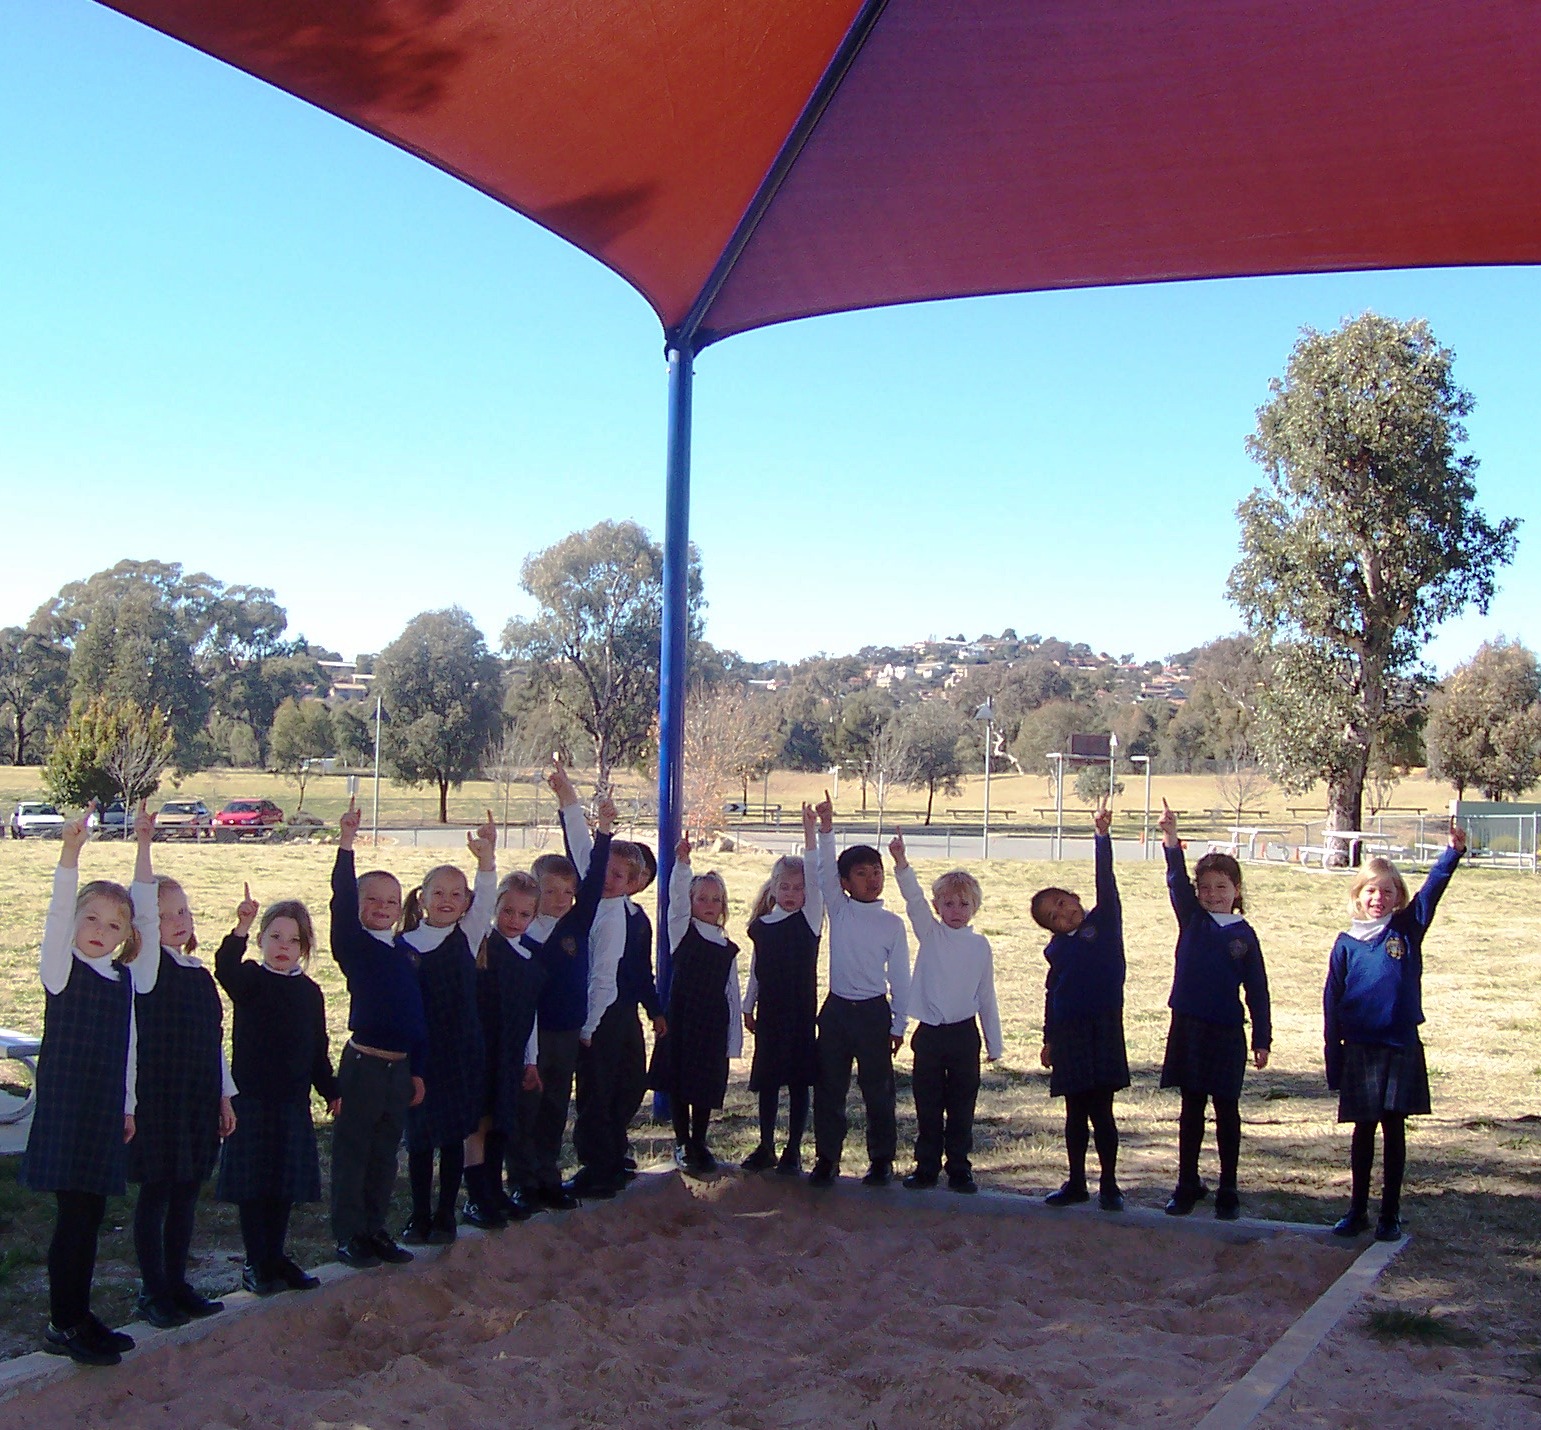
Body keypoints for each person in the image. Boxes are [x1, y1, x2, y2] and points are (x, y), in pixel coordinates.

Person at [20, 803, 141, 1365]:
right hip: (69, 1110)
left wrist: (129, 1104)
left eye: (114, 925)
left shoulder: (121, 980)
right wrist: (70, 853)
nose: (100, 931)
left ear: (126, 936)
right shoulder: (59, 969)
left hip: (103, 1112)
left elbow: (129, 1051)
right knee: (73, 1218)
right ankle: (62, 1322)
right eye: (91, 919)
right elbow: (55, 913)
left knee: (90, 1216)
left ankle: (80, 1312)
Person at [1324, 821, 1466, 1242]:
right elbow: (1332, 1005)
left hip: (1399, 1045)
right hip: (1361, 1050)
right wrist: (1335, 1059)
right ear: (1357, 895)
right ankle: (1357, 1211)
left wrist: (1451, 854)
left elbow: (1432, 892)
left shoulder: (1406, 930)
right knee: (1363, 1131)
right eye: (1370, 890)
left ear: (1398, 898)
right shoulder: (1346, 943)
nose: (1378, 898)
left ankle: (1390, 1213)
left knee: (1394, 1130)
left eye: (1387, 891)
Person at [126, 804, 235, 1328]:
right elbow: (141, 907)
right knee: (157, 1193)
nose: (177, 921)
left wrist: (224, 1095)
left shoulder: (199, 973)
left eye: (184, 912)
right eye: (167, 914)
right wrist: (145, 845)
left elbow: (214, 1040)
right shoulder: (144, 972)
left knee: (188, 1191)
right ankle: (153, 1292)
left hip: (197, 1099)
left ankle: (177, 1282)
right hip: (158, 1102)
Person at [215, 886, 338, 1295]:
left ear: (305, 947)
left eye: (293, 940)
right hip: (251, 1100)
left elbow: (317, 1049)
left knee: (282, 1186)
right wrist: (242, 925)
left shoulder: (310, 993)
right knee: (255, 1186)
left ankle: (275, 1255)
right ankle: (255, 1262)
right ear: (263, 940)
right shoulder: (250, 979)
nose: (283, 947)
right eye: (275, 937)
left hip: (291, 1103)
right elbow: (224, 967)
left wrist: (330, 1089)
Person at [1156, 801, 1271, 1221]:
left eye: (1221, 887)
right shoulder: (1193, 920)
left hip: (1226, 1032)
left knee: (1226, 1110)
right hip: (1188, 1027)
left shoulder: (1245, 936)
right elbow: (1174, 880)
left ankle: (1228, 1188)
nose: (1212, 895)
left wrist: (1262, 1038)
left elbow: (1257, 990)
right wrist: (1171, 837)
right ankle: (1187, 1183)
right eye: (1205, 887)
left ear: (1237, 891)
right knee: (1191, 1108)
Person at [329, 797, 427, 1270]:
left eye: (391, 901)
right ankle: (349, 1234)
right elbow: (341, 902)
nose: (382, 908)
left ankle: (376, 1228)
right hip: (364, 1064)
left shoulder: (405, 951)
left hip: (399, 1067)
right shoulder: (354, 946)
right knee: (354, 1152)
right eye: (373, 900)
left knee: (386, 1154)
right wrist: (347, 843)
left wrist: (417, 1070)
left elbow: (416, 1017)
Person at [398, 815, 497, 1244]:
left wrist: (487, 857)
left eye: (457, 894)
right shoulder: (402, 945)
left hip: (460, 1053)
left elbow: (489, 890)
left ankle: (445, 1214)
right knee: (420, 1139)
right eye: (438, 892)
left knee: (455, 1135)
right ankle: (419, 1213)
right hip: (420, 1057)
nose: (447, 900)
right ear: (421, 898)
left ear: (466, 902)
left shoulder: (468, 935)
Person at [809, 792, 911, 1189]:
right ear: (846, 882)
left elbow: (900, 978)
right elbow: (822, 871)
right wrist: (827, 827)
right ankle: (827, 1158)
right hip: (836, 1012)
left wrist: (899, 1022)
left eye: (877, 872)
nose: (872, 880)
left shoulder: (892, 924)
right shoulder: (840, 908)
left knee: (878, 1091)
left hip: (873, 1014)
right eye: (862, 874)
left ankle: (882, 1160)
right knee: (830, 1088)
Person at [521, 779, 616, 1207]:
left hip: (566, 1034)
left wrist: (605, 833)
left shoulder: (576, 926)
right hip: (530, 1037)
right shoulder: (520, 935)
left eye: (567, 891)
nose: (559, 899)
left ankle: (548, 1176)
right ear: (532, 889)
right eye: (549, 890)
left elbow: (595, 881)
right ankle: (522, 1181)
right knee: (528, 1106)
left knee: (557, 1105)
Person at [890, 832, 1001, 1194]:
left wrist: (993, 1043)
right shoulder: (932, 934)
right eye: (949, 904)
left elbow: (986, 995)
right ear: (938, 907)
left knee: (962, 1105)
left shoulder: (980, 945)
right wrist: (901, 863)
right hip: (931, 1034)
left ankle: (959, 1168)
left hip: (964, 1035)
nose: (956, 910)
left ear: (975, 908)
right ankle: (925, 1167)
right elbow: (913, 900)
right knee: (928, 1104)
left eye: (964, 904)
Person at [1031, 802, 1128, 1211]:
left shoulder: (1102, 923)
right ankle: (1075, 1182)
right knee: (1074, 1113)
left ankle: (1109, 1184)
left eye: (1064, 902)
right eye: (1054, 916)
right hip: (1069, 1034)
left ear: (1075, 896)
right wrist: (1048, 1038)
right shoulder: (1056, 951)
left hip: (1103, 1027)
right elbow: (1053, 995)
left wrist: (1101, 837)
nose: (1064, 913)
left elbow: (1106, 883)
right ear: (1051, 928)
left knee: (1102, 1113)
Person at [552, 765, 640, 1200]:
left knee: (596, 1093)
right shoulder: (593, 898)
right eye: (604, 870)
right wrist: (569, 797)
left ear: (632, 884)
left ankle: (599, 1168)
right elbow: (582, 844)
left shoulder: (611, 918)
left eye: (618, 876)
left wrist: (586, 1029)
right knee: (604, 1091)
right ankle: (611, 1159)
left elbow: (604, 979)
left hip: (600, 1017)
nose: (606, 877)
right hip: (594, 1014)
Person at [649, 835, 741, 1174]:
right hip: (683, 1020)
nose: (709, 904)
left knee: (704, 1085)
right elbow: (675, 900)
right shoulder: (682, 932)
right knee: (679, 1081)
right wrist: (683, 864)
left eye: (716, 899)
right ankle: (682, 1140)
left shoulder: (727, 946)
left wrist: (735, 1037)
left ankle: (700, 1141)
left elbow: (732, 991)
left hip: (712, 1025)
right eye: (702, 898)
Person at [740, 803, 823, 1177]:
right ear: (773, 888)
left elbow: (818, 875)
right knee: (770, 1081)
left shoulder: (809, 922)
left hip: (801, 1013)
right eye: (785, 887)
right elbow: (757, 969)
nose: (791, 893)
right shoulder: (763, 926)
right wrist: (748, 1004)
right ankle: (766, 1144)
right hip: (771, 1014)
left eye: (798, 888)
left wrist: (811, 833)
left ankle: (794, 1147)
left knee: (800, 1081)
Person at [462, 870, 544, 1227]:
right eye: (507, 911)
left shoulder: (530, 959)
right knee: (477, 1125)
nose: (514, 920)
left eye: (524, 914)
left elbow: (530, 1016)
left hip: (510, 1054)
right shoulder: (483, 947)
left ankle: (495, 1191)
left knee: (499, 1122)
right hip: (480, 1052)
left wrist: (531, 1060)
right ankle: (476, 1197)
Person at [615, 841, 664, 1176]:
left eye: (645, 873)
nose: (637, 878)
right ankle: (600, 1156)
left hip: (627, 1010)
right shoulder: (596, 911)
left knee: (632, 1081)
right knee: (600, 1085)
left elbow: (643, 970)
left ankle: (616, 1142)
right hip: (598, 1013)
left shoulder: (638, 919)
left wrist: (655, 1009)